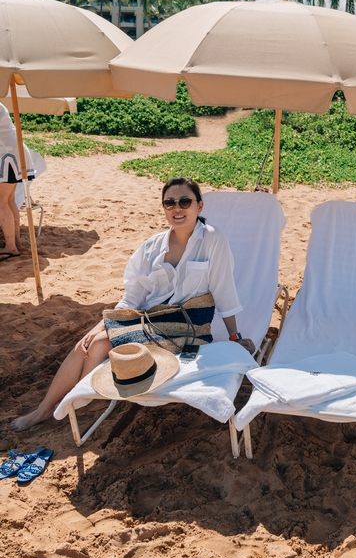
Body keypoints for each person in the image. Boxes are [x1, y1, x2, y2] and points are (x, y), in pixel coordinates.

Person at [11, 177, 255, 432]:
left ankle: (77, 398)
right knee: (86, 342)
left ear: (199, 206)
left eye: (185, 201)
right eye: (169, 203)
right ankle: (46, 408)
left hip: (188, 325)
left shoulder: (213, 239)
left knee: (99, 344)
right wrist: (101, 324)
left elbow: (223, 290)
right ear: (163, 208)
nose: (177, 208)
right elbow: (132, 298)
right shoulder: (152, 247)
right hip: (150, 319)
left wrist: (235, 336)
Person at [0, 102, 36, 261]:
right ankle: (16, 242)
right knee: (9, 200)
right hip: (15, 150)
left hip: (6, 153)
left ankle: (10, 247)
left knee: (1, 202)